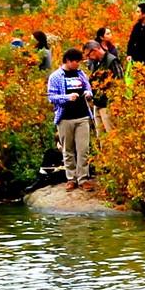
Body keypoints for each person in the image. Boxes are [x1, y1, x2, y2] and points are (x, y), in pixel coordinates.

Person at [46, 48, 95, 191]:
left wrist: (88, 93)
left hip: (82, 116)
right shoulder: (55, 76)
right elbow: (51, 97)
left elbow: (89, 88)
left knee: (83, 149)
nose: (78, 64)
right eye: (76, 61)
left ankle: (83, 178)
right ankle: (71, 178)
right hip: (65, 118)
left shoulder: (81, 74)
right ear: (68, 61)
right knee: (68, 149)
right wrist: (67, 98)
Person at [84, 38, 121, 132]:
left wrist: (113, 102)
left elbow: (119, 81)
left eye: (89, 55)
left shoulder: (111, 60)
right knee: (101, 138)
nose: (88, 58)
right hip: (97, 104)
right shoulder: (95, 63)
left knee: (111, 134)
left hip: (108, 105)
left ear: (95, 50)